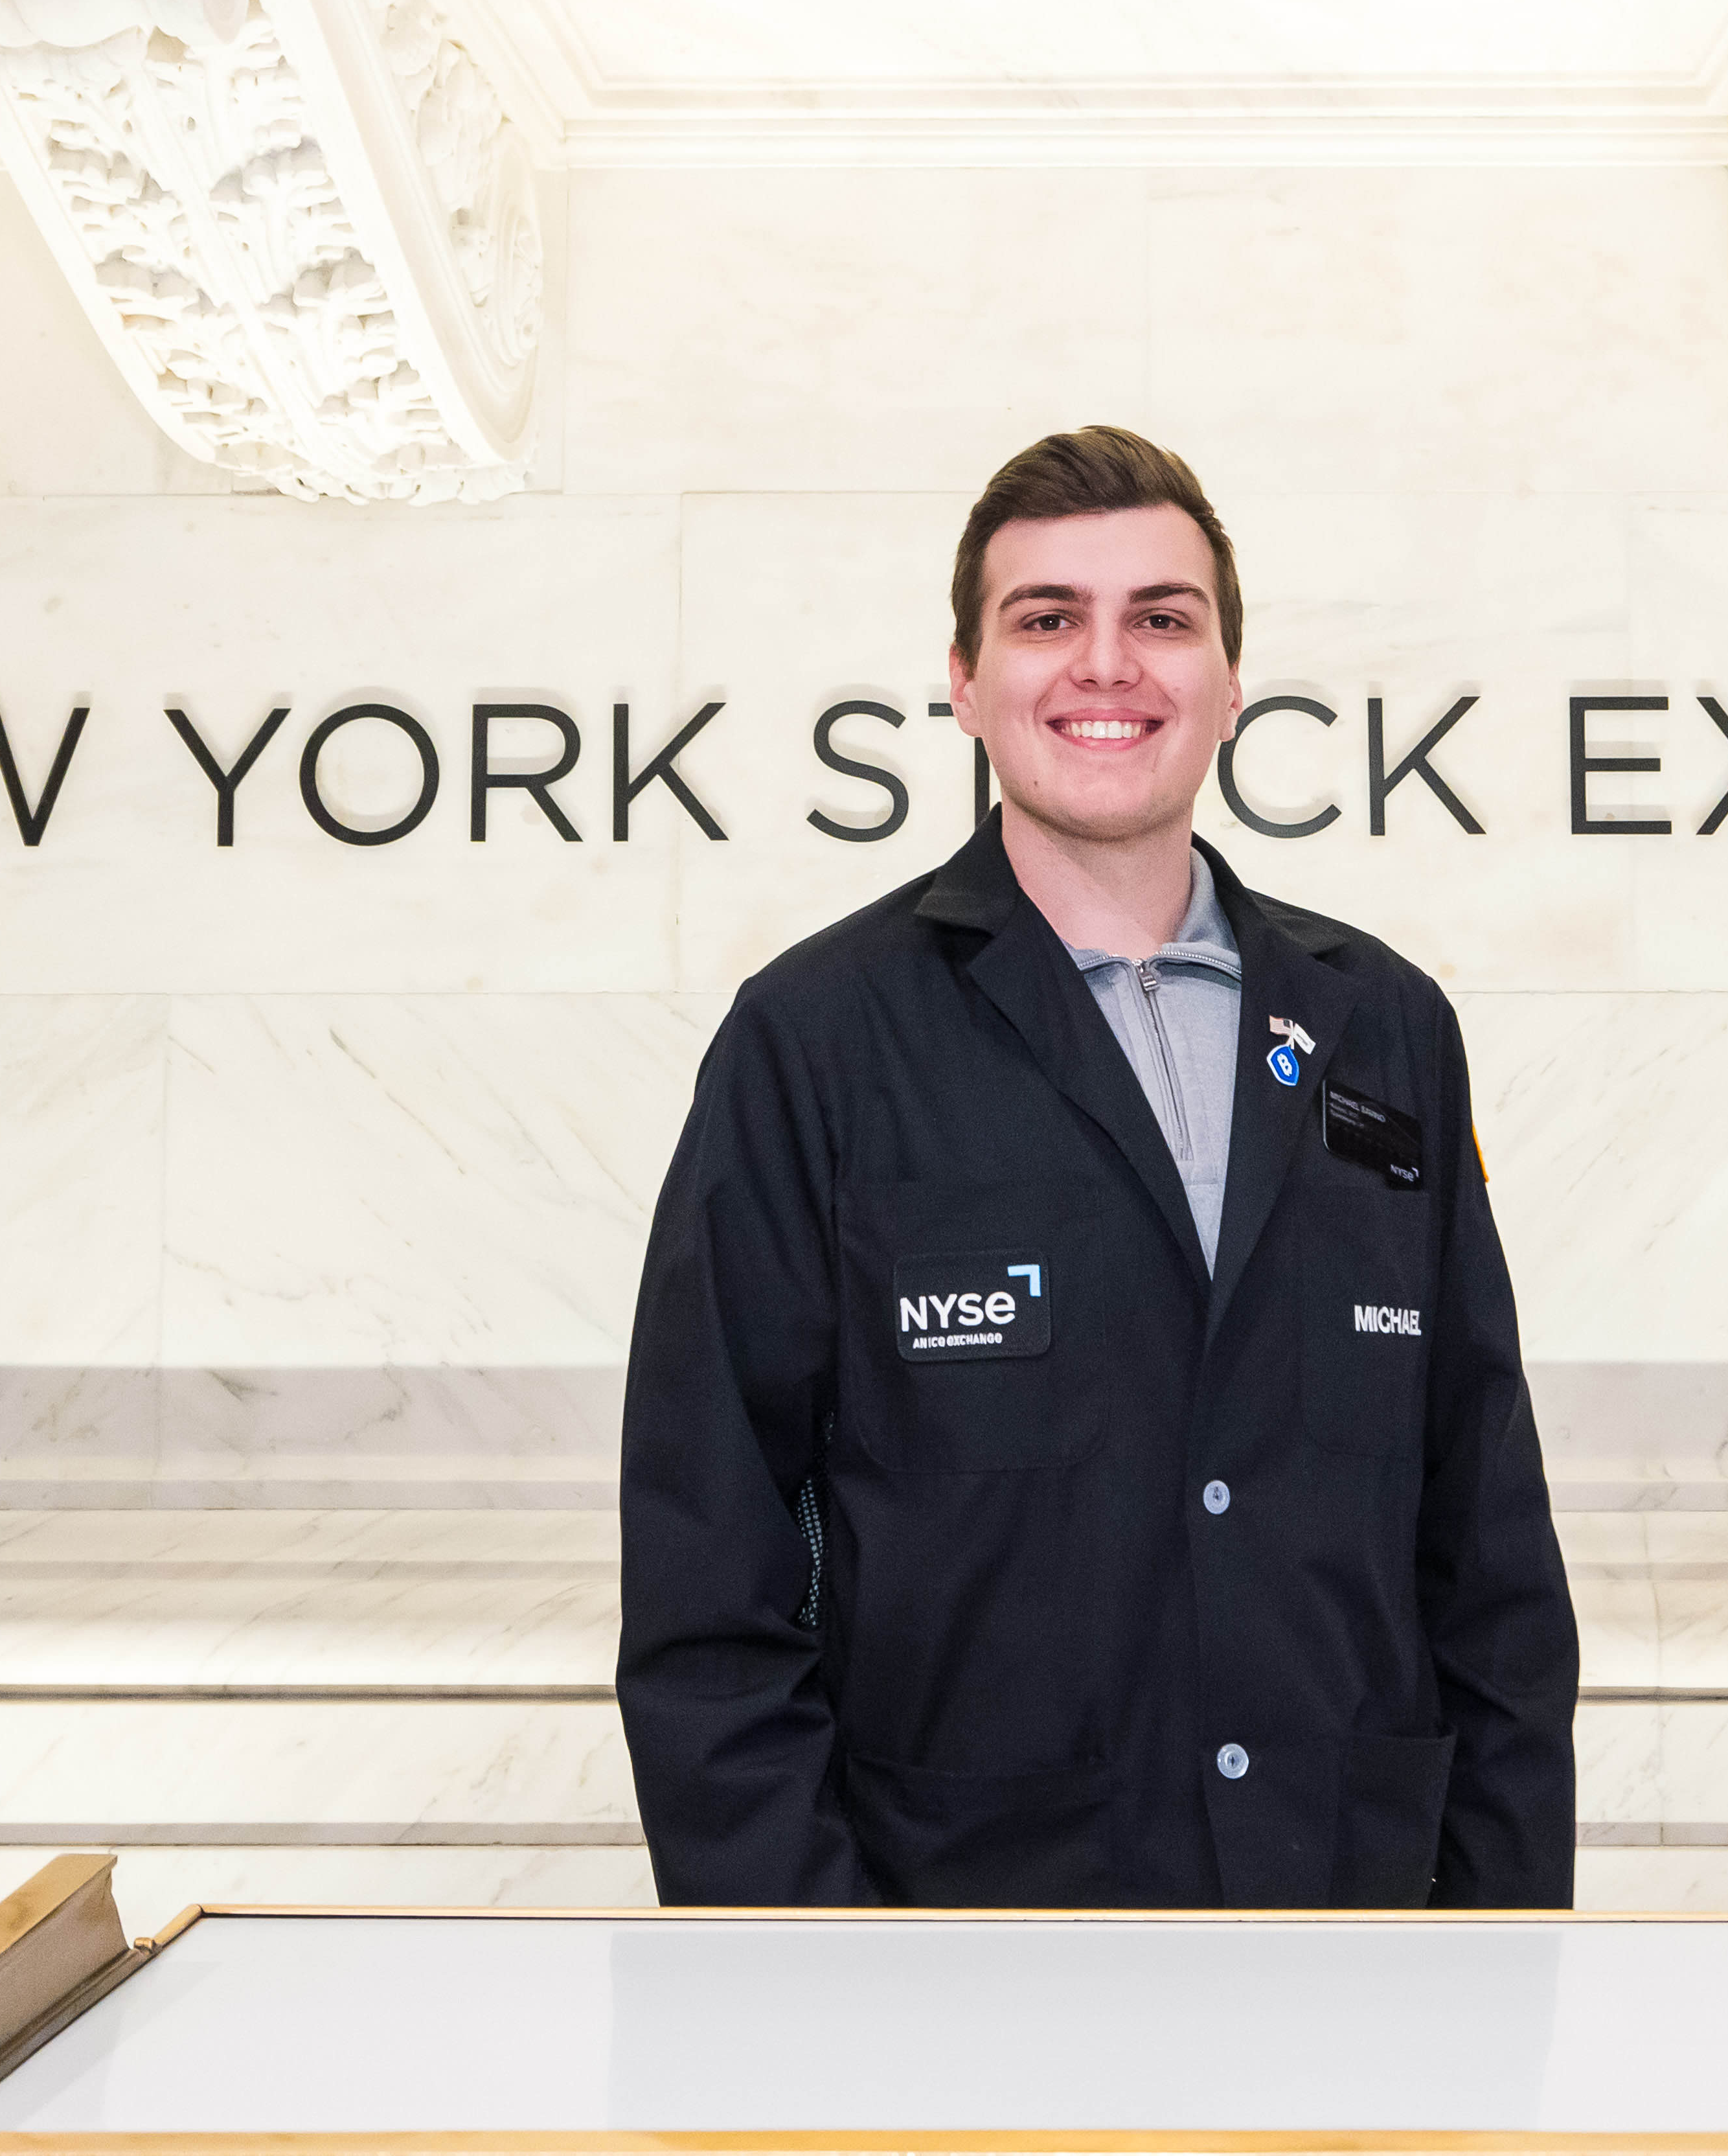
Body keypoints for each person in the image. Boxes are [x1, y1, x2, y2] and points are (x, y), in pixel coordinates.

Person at [616, 426, 1577, 1909]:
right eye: (1048, 617)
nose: (1106, 663)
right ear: (963, 678)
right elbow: (708, 1572)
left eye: (1162, 618)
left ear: (1229, 680)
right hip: (961, 1954)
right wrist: (798, 1979)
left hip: (1356, 1938)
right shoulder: (812, 1043)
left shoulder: (1384, 1029)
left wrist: (1502, 1949)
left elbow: (1486, 1544)